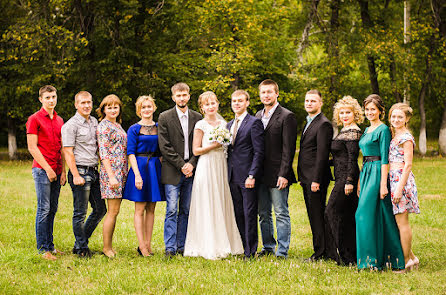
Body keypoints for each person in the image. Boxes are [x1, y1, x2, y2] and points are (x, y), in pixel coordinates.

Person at [184, 91, 243, 259]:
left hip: (221, 167)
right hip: (207, 166)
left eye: (213, 103)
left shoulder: (225, 124)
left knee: (222, 200)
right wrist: (214, 145)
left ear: (218, 104)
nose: (211, 106)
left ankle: (226, 241)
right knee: (208, 201)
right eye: (207, 104)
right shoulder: (200, 125)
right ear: (202, 108)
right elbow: (196, 150)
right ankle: (207, 244)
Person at [356, 94, 404, 271]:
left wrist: (383, 184)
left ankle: (370, 261)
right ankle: (383, 258)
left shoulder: (383, 130)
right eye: (367, 109)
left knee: (363, 215)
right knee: (380, 215)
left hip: (378, 172)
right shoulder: (367, 130)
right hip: (366, 171)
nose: (369, 112)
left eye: (373, 109)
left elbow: (385, 159)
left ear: (380, 111)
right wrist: (361, 180)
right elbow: (364, 157)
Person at [158, 82, 202, 257]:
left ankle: (182, 245)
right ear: (173, 97)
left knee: (185, 209)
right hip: (172, 169)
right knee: (171, 209)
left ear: (189, 96)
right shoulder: (164, 117)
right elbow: (164, 145)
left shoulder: (198, 117)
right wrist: (181, 165)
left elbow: (200, 144)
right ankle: (170, 247)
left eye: (184, 95)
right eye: (178, 95)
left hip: (192, 169)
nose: (182, 98)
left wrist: (191, 163)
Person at [255, 79, 298, 259]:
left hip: (278, 173)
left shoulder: (287, 116)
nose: (266, 95)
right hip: (261, 174)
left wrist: (284, 173)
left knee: (281, 212)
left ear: (276, 93)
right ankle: (268, 247)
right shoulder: (257, 115)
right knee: (263, 213)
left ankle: (282, 251)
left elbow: (289, 148)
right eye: (263, 92)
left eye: (269, 92)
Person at [62, 91, 107, 258]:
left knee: (100, 209)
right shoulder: (70, 125)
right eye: (83, 103)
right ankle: (82, 248)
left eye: (89, 102)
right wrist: (75, 175)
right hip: (80, 171)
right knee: (80, 212)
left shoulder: (94, 122)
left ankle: (79, 243)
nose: (87, 105)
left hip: (94, 171)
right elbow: (68, 152)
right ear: (76, 105)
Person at [26, 85, 66, 260]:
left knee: (53, 209)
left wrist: (63, 170)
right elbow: (32, 147)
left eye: (53, 97)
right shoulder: (34, 119)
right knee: (44, 209)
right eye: (47, 97)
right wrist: (48, 169)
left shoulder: (60, 120)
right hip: (42, 170)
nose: (51, 100)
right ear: (41, 99)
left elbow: (63, 148)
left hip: (57, 170)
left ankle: (51, 246)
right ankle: (43, 249)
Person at [123, 95, 166, 257]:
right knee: (140, 208)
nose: (146, 109)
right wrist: (137, 175)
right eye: (143, 107)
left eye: (149, 106)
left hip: (155, 168)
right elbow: (131, 153)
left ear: (154, 108)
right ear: (138, 110)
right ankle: (141, 245)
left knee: (152, 209)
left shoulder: (159, 127)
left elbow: (162, 150)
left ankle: (148, 244)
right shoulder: (134, 129)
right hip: (140, 166)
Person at [324, 96, 363, 265]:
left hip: (347, 179)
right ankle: (349, 256)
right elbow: (341, 157)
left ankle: (344, 255)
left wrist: (349, 181)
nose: (345, 115)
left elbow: (352, 160)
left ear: (355, 114)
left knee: (331, 212)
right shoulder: (344, 131)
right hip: (341, 177)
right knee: (347, 217)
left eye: (348, 112)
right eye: (342, 113)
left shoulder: (353, 132)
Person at [227, 90, 264, 259]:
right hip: (231, 175)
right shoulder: (228, 125)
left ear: (247, 103)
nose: (237, 103)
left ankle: (251, 250)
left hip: (247, 176)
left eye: (240, 101)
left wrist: (252, 175)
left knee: (249, 213)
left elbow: (259, 152)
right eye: (234, 101)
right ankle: (243, 247)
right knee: (238, 212)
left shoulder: (254, 123)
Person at [297, 89, 333, 262]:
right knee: (313, 215)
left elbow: (322, 154)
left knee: (317, 215)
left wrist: (316, 180)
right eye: (307, 100)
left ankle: (320, 253)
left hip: (315, 179)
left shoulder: (323, 124)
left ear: (320, 103)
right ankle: (322, 250)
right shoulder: (309, 122)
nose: (309, 103)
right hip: (307, 177)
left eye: (312, 101)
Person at [388, 103, 420, 271]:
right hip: (392, 179)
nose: (396, 119)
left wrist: (399, 188)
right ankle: (412, 258)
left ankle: (406, 261)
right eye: (393, 116)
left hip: (401, 180)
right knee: (397, 221)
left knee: (402, 222)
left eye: (400, 117)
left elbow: (408, 165)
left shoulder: (406, 138)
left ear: (407, 119)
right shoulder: (395, 135)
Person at [96, 94, 128, 258]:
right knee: (112, 211)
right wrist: (112, 176)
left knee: (115, 211)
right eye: (109, 107)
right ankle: (106, 247)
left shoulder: (117, 125)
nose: (113, 109)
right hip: (112, 173)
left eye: (116, 107)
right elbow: (104, 154)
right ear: (103, 109)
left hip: (121, 171)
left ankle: (109, 245)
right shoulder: (104, 127)